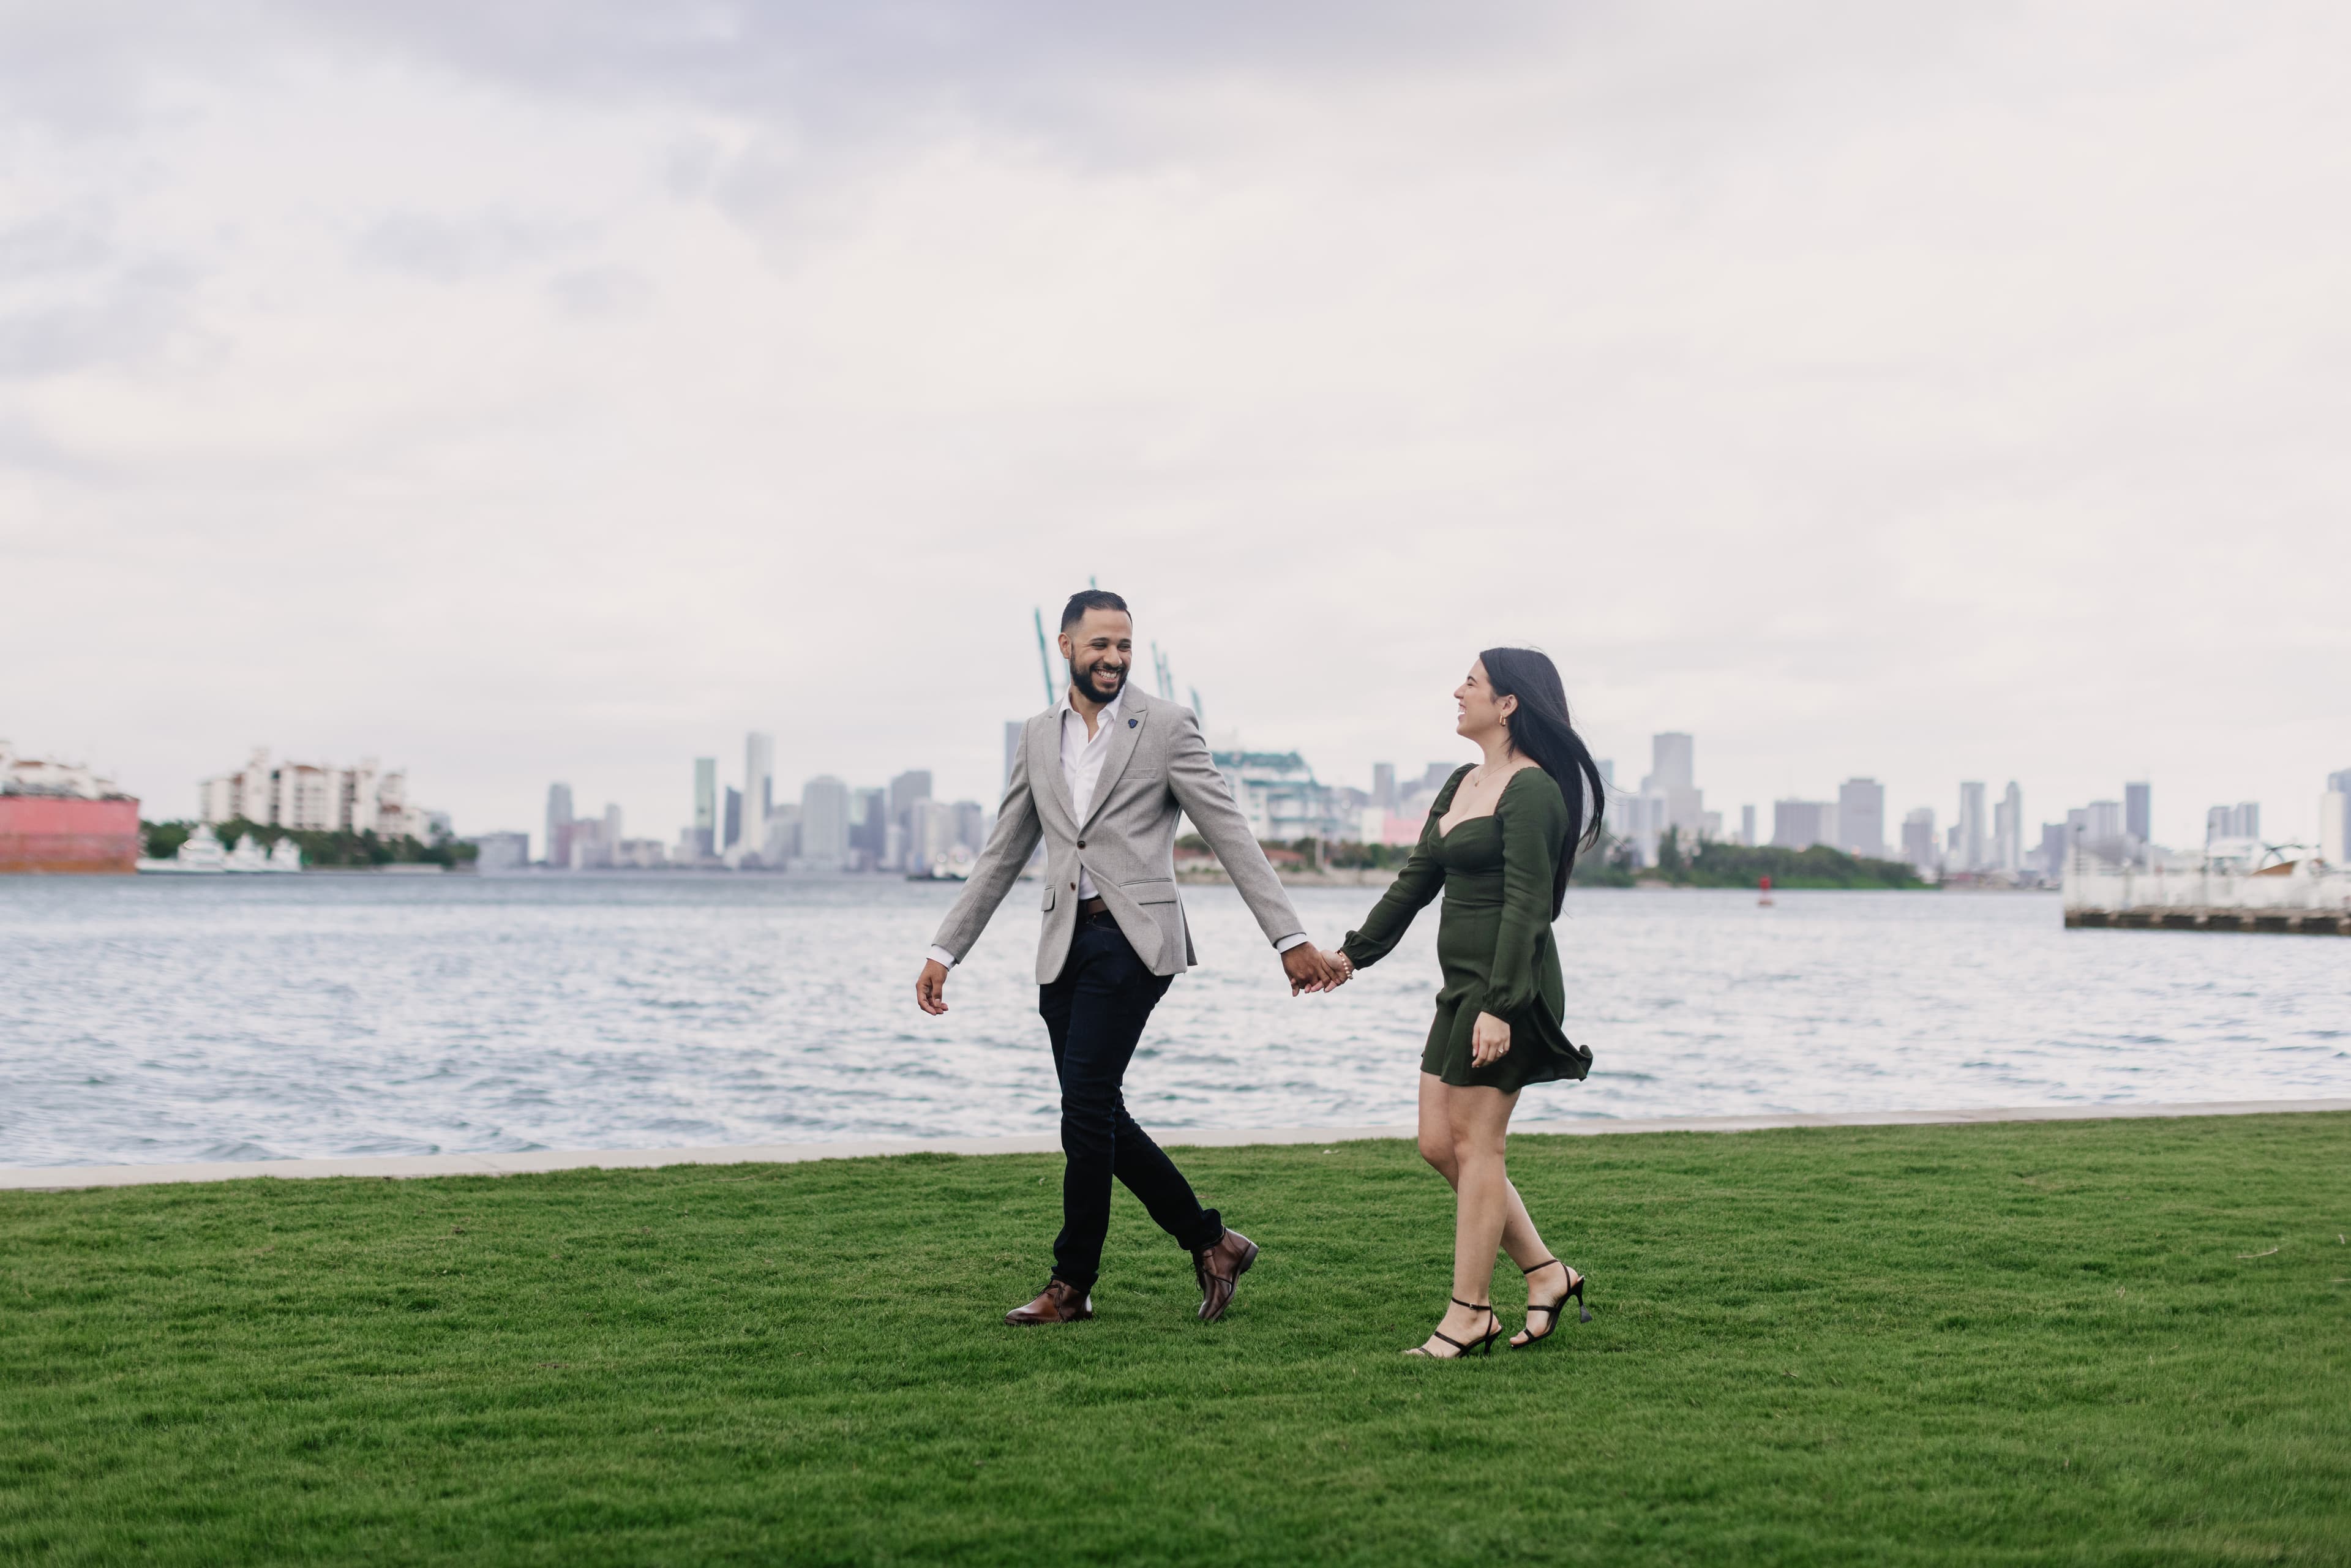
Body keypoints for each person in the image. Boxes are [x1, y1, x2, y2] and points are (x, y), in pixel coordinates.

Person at [916, 589, 1346, 1326]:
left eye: (1124, 645)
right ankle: (1212, 1241)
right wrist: (945, 947)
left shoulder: (1168, 726)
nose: (1114, 658)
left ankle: (1072, 1283)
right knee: (1097, 1113)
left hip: (1135, 941)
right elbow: (1002, 851)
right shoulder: (1034, 736)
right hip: (1063, 943)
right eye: (1100, 645)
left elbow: (1230, 832)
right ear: (1066, 648)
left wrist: (1289, 938)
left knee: (1084, 1108)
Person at [1332, 648, 1607, 1357]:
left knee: (1477, 1145)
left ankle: (1469, 1312)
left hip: (1507, 989)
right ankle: (1547, 1273)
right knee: (1437, 1144)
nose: (1458, 691)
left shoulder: (1535, 791)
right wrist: (1351, 954)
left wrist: (1502, 1005)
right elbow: (1415, 879)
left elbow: (1528, 906)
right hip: (1460, 989)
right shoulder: (1463, 781)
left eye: (1473, 682)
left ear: (1509, 702)